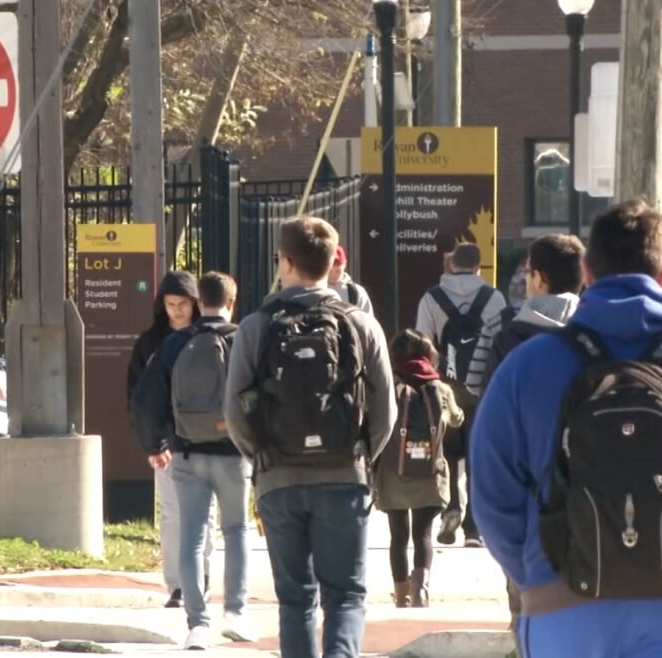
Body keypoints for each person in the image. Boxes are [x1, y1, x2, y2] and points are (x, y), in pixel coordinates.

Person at [471, 199, 662, 657]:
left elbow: (490, 494)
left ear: (587, 270)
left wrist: (538, 570)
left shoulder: (526, 367)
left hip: (564, 606)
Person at [224, 216, 397, 658]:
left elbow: (235, 409)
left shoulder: (255, 327)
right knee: (345, 595)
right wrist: (360, 455)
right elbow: (385, 411)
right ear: (332, 262)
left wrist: (263, 456)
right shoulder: (360, 324)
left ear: (284, 262)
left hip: (278, 478)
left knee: (296, 598)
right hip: (344, 477)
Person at [132, 271, 256, 649]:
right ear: (231, 303)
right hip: (234, 454)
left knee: (192, 533)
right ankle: (235, 612)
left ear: (199, 303)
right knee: (235, 531)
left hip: (186, 452)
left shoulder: (175, 343)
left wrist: (155, 444)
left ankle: (197, 623)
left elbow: (145, 398)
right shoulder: (242, 340)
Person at [471, 234, 584, 641]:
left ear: (538, 277)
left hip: (530, 513)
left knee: (529, 626)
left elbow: (490, 435)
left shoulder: (509, 340)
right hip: (596, 510)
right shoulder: (598, 340)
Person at [126, 270, 212, 609]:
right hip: (166, 445)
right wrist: (153, 445)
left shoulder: (206, 336)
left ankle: (201, 582)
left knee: (204, 515)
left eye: (183, 304)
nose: (177, 311)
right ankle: (177, 585)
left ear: (195, 303)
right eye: (170, 304)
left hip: (204, 441)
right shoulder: (150, 343)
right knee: (173, 515)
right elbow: (138, 398)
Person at [415, 242, 506, 547]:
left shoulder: (431, 298)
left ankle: (452, 507)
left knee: (449, 455)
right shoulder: (494, 298)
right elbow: (500, 342)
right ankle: (474, 527)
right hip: (482, 389)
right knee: (477, 454)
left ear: (451, 265)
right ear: (480, 267)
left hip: (446, 389)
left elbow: (423, 343)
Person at [375, 329, 464, 609]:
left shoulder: (388, 386)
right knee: (423, 533)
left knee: (398, 535)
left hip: (392, 474)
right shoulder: (440, 389)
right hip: (430, 473)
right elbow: (458, 419)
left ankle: (400, 594)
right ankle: (421, 590)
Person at [468, 234, 585, 397]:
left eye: (529, 272)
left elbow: (475, 384)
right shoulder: (597, 326)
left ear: (538, 278)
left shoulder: (501, 324)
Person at [328, 245, 374, 315]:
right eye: (330, 271)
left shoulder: (355, 292)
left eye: (338, 271)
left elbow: (368, 321)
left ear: (345, 265)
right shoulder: (317, 289)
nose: (333, 275)